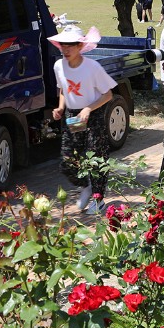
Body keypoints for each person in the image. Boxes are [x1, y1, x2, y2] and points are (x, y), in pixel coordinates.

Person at [48, 25, 116, 215]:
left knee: (96, 158)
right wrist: (61, 108)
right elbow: (63, 89)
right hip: (73, 116)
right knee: (68, 160)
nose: (66, 49)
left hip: (92, 116)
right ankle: (87, 185)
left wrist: (88, 108)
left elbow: (108, 95)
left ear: (80, 46)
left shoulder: (92, 67)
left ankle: (98, 199)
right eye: (63, 45)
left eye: (70, 45)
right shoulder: (58, 66)